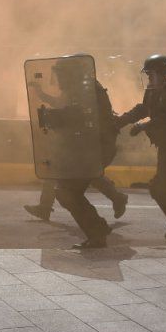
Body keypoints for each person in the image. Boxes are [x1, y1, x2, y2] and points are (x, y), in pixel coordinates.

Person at [34, 55, 123, 249]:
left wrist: (54, 117)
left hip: (96, 148)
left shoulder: (86, 89)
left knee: (67, 191)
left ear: (70, 75)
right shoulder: (81, 88)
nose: (59, 80)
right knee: (68, 189)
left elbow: (80, 115)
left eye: (62, 75)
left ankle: (97, 232)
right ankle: (98, 227)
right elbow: (72, 113)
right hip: (87, 148)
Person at [114, 54, 166, 240]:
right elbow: (143, 109)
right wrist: (119, 122)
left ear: (162, 74)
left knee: (162, 186)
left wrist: (145, 126)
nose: (149, 79)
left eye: (151, 75)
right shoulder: (152, 91)